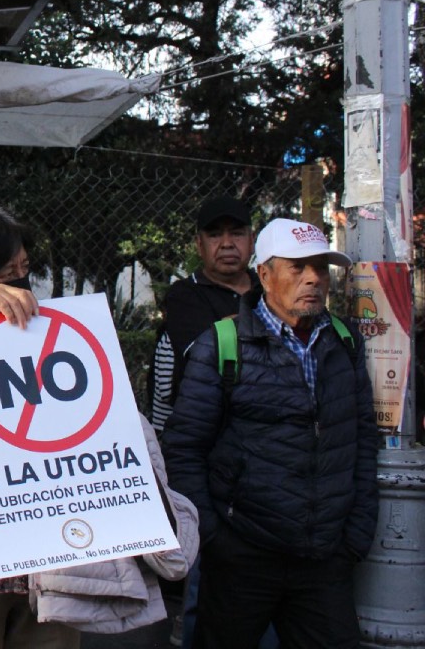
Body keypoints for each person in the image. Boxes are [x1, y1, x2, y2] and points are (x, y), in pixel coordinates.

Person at [0, 203, 199, 649]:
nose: (22, 286)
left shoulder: (58, 333)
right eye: (7, 275)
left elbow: (106, 421)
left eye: (25, 269)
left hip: (56, 562)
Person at [162, 218, 379, 648]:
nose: (314, 279)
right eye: (297, 267)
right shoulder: (223, 344)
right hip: (243, 559)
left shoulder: (343, 341)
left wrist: (354, 536)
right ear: (264, 274)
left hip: (323, 560)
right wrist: (216, 540)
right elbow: (184, 449)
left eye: (320, 267)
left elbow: (362, 440)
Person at [148, 196, 257, 433]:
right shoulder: (184, 296)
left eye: (236, 233)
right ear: (199, 244)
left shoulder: (269, 289)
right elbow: (207, 357)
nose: (227, 243)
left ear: (252, 241)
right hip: (201, 430)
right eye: (215, 235)